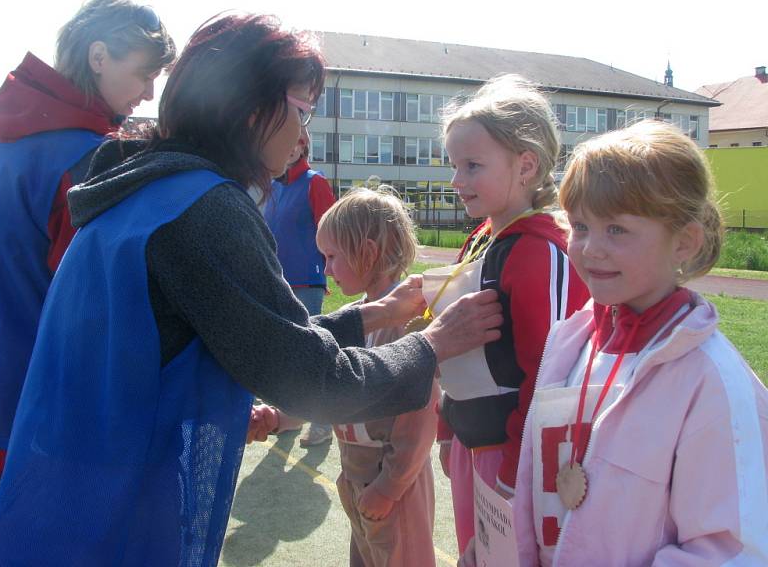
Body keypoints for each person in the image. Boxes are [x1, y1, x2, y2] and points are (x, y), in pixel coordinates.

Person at [0, 13, 502, 567]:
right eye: (301, 111)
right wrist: (433, 343)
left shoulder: (143, 187)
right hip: (121, 514)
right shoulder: (205, 208)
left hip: (67, 489)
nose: (304, 137)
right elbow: (310, 378)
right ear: (250, 108)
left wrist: (370, 316)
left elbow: (248, 332)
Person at [0, 0, 174, 564]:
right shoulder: (87, 162)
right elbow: (99, 319)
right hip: (38, 426)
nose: (150, 93)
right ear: (100, 56)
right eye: (145, 73)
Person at [514, 120, 768, 565]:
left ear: (684, 241)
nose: (591, 248)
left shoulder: (712, 381)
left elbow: (727, 552)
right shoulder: (573, 342)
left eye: (617, 230)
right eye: (580, 225)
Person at [434, 74, 589, 557]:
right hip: (472, 441)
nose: (456, 181)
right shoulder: (484, 237)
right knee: (473, 553)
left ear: (526, 166)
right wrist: (447, 425)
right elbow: (461, 346)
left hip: (512, 456)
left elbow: (550, 375)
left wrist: (513, 471)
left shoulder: (539, 251)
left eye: (472, 166)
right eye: (454, 165)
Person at [255, 187, 440, 566]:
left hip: (394, 483)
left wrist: (389, 487)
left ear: (368, 253)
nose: (325, 269)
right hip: (354, 476)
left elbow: (419, 421)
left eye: (332, 257)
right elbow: (328, 389)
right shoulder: (355, 320)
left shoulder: (409, 326)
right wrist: (279, 416)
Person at [264, 134, 337, 447]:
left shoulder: (314, 182)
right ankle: (290, 415)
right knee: (284, 355)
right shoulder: (274, 186)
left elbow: (332, 231)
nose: (288, 147)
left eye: (295, 142)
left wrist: (330, 269)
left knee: (310, 354)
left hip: (307, 283)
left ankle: (323, 421)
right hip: (277, 283)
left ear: (304, 147)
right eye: (284, 141)